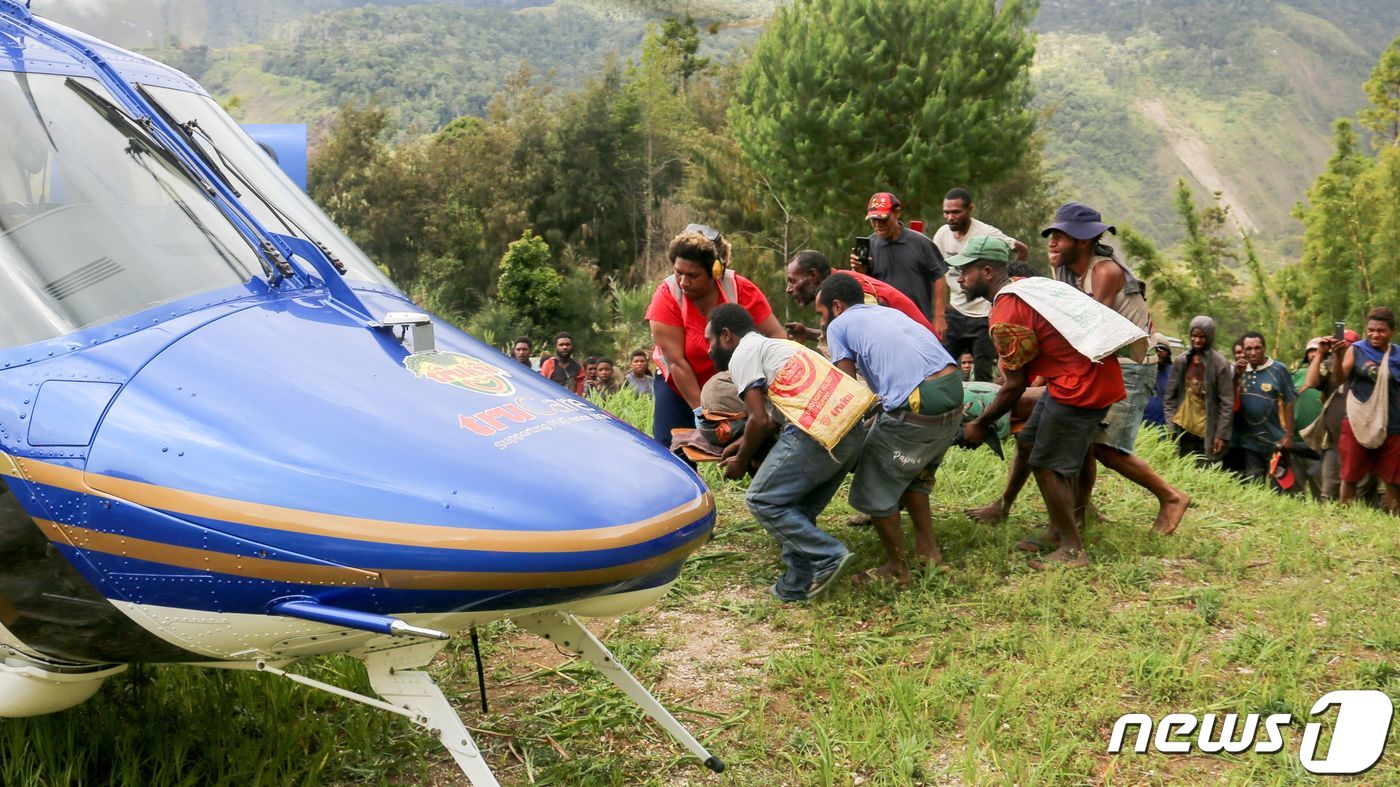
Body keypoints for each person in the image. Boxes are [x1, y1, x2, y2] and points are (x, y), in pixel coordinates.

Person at [953, 236, 1130, 569]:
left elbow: (1014, 386)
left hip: (1080, 386)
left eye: (965, 271)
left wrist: (980, 423)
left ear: (987, 272)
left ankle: (1072, 550)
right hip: (1088, 374)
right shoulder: (1023, 286)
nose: (959, 278)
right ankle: (1055, 531)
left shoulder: (1006, 312)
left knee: (1047, 464)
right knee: (1029, 441)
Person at [1042, 202, 1189, 534]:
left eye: (1060, 236)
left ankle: (1171, 497)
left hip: (1130, 365)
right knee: (1084, 445)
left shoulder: (1105, 271)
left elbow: (1090, 325)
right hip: (1102, 360)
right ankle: (1080, 514)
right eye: (1051, 235)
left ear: (1082, 240)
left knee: (1108, 449)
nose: (1052, 242)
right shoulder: (1069, 270)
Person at [707, 304, 866, 601]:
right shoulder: (779, 346)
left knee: (761, 499)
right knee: (797, 508)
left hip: (816, 428)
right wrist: (742, 444)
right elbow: (771, 421)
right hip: (851, 428)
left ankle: (829, 555)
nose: (708, 350)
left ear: (726, 335)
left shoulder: (742, 353)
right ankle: (797, 583)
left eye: (710, 340)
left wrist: (741, 462)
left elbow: (759, 420)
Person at [817, 273, 963, 584]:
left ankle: (897, 568)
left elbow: (846, 386)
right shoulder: (887, 313)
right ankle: (929, 554)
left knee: (873, 482)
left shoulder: (839, 326)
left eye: (821, 313)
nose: (821, 321)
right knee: (915, 476)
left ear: (837, 306)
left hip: (920, 399)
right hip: (953, 391)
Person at [646, 227, 785, 446]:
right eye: (678, 272)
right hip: (679, 383)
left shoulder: (740, 290)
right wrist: (702, 413)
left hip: (732, 384)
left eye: (693, 275)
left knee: (755, 443)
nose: (683, 282)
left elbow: (777, 336)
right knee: (671, 447)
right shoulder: (667, 295)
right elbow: (676, 362)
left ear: (715, 271)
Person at [932, 188, 1029, 381]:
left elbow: (1021, 249)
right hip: (956, 312)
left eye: (956, 212)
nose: (950, 217)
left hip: (984, 315)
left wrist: (1009, 280)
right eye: (946, 212)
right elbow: (937, 274)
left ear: (970, 209)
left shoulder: (986, 233)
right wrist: (939, 315)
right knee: (939, 367)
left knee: (983, 373)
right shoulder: (942, 234)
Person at [782, 249, 935, 345]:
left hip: (925, 356)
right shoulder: (841, 285)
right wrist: (808, 334)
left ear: (813, 276)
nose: (788, 289)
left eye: (792, 281)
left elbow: (877, 338)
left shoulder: (850, 290)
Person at [1330, 307, 1400, 512]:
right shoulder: (1356, 350)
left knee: (1393, 479)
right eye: (1371, 330)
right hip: (1358, 421)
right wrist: (1337, 356)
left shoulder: (1397, 355)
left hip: (1392, 424)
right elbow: (1339, 379)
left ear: (1392, 331)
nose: (1375, 334)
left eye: (1381, 330)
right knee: (1350, 475)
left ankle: (1393, 520)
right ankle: (1345, 516)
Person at [849, 192, 947, 330]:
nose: (878, 224)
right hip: (884, 324)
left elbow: (939, 277)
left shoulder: (920, 242)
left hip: (919, 322)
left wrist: (939, 316)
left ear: (897, 213)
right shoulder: (869, 247)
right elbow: (862, 291)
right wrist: (859, 272)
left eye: (883, 219)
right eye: (873, 220)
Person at [1163, 316, 1234, 465]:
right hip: (1183, 428)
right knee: (1180, 466)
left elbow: (1226, 403)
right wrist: (1171, 425)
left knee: (1204, 468)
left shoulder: (1220, 364)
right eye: (1194, 336)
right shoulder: (1182, 361)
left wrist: (1221, 435)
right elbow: (1170, 397)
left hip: (1207, 431)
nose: (1197, 340)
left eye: (1202, 337)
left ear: (1210, 337)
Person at [1234, 332, 1296, 483]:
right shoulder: (1239, 371)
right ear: (1243, 351)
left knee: (1278, 487)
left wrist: (1288, 436)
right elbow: (1230, 400)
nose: (1253, 352)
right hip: (1249, 443)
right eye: (1248, 349)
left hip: (1276, 443)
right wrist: (1236, 376)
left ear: (1265, 348)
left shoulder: (1278, 370)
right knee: (1253, 486)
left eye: (1257, 348)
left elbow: (1290, 402)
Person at [1142, 335, 1172, 427]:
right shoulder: (1140, 370)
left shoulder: (1173, 373)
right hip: (1139, 422)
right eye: (1155, 349)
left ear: (1168, 352)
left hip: (1162, 425)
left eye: (1162, 349)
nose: (1158, 353)